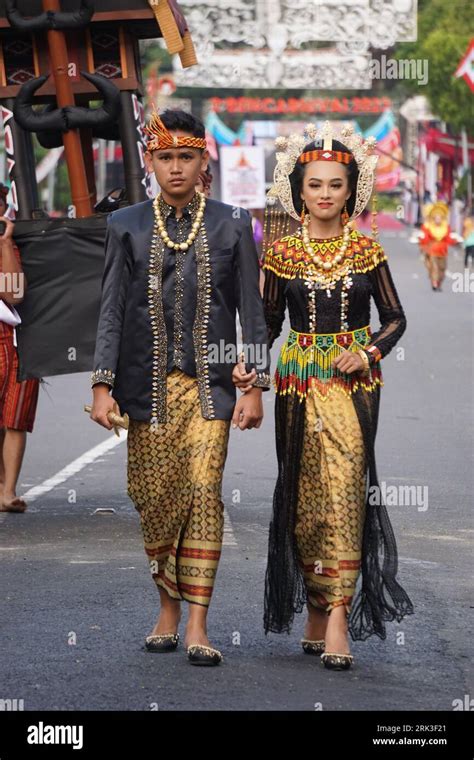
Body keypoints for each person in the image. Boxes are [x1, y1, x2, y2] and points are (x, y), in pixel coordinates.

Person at [89, 109, 270, 666]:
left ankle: (196, 622)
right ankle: (167, 601)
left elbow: (252, 314)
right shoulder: (125, 224)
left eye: (185, 157)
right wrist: (103, 385)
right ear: (149, 161)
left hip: (211, 390)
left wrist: (254, 384)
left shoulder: (232, 223)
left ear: (202, 162)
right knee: (153, 498)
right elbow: (112, 311)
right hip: (148, 390)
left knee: (201, 493)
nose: (175, 168)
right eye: (165, 157)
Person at [234, 122, 413, 670]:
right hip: (296, 382)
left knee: (343, 489)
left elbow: (396, 318)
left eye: (336, 184)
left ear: (352, 190)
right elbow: (263, 325)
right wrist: (252, 382)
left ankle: (339, 614)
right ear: (299, 191)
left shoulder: (366, 251)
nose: (326, 194)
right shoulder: (281, 255)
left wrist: (368, 353)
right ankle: (316, 603)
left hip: (352, 385)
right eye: (315, 185)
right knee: (306, 496)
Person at [0, 185, 40, 513]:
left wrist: (4, 243)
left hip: (15, 341)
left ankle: (7, 490)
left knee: (15, 418)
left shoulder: (12, 245)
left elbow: (13, 295)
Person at [417, 202, 462, 291]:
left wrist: (456, 241)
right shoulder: (428, 226)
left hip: (443, 251)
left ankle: (439, 283)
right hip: (432, 251)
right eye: (436, 217)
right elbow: (425, 239)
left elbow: (449, 239)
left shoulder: (446, 227)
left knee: (442, 269)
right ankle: (434, 283)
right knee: (434, 268)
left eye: (439, 217)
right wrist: (421, 241)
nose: (438, 219)